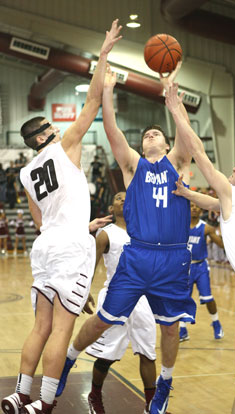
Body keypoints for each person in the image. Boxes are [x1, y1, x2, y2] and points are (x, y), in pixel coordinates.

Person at [57, 62, 196, 414]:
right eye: (146, 134)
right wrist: (107, 91)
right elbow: (111, 128)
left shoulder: (178, 162)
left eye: (156, 134)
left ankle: (164, 383)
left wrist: (173, 99)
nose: (150, 136)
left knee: (169, 329)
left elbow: (186, 135)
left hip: (173, 257)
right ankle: (70, 359)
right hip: (139, 255)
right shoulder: (134, 166)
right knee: (103, 319)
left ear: (165, 143)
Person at [1, 19, 122, 414]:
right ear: (43, 137)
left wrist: (78, 226)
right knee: (62, 329)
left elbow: (40, 220)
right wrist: (102, 56)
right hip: (69, 246)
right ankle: (46, 402)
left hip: (47, 245)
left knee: (39, 326)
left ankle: (20, 393)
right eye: (51, 127)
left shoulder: (23, 172)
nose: (58, 128)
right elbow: (91, 103)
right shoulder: (64, 146)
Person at [165, 83, 235, 414]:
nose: (233, 169)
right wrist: (187, 195)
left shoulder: (234, 193)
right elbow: (216, 203)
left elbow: (198, 151)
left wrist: (176, 110)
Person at [81, 192, 157, 414]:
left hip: (142, 299)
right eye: (117, 198)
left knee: (148, 353)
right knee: (106, 356)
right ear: (111, 210)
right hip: (115, 296)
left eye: (127, 197)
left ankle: (151, 406)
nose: (123, 199)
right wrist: (86, 292)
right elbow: (91, 266)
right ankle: (94, 395)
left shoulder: (145, 233)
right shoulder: (105, 234)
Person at [179, 202, 224, 341]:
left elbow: (221, 244)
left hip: (200, 267)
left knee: (207, 297)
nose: (193, 208)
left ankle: (216, 323)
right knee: (182, 299)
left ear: (200, 210)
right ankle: (182, 329)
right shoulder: (180, 226)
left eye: (196, 206)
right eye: (191, 206)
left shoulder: (206, 228)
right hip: (184, 267)